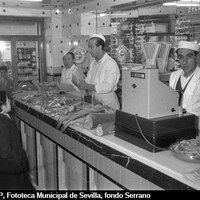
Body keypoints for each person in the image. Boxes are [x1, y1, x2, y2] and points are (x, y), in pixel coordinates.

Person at [72, 34, 120, 110]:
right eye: (88, 47)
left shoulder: (110, 63)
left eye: (91, 47)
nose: (89, 50)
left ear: (100, 47)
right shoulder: (93, 63)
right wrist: (80, 84)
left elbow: (108, 87)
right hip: (95, 100)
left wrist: (87, 86)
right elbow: (89, 81)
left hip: (108, 102)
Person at [0, 91, 34, 190]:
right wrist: (18, 159)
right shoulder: (1, 125)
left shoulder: (5, 116)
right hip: (11, 167)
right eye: (7, 100)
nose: (10, 101)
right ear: (2, 105)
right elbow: (5, 151)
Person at [169, 41, 200, 117]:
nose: (184, 61)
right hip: (175, 122)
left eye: (189, 56)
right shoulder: (174, 76)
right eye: (181, 57)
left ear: (197, 57)